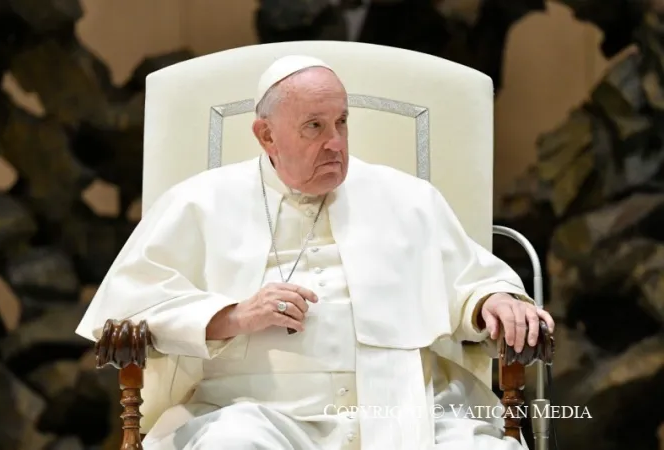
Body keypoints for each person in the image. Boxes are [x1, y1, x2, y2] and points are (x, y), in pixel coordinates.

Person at [76, 55, 554, 450]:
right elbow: (129, 307)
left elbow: (469, 281)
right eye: (314, 127)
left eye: (342, 122)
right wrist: (234, 315)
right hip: (258, 411)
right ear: (266, 136)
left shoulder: (407, 198)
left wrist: (495, 301)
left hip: (406, 406)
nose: (336, 143)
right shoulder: (200, 202)